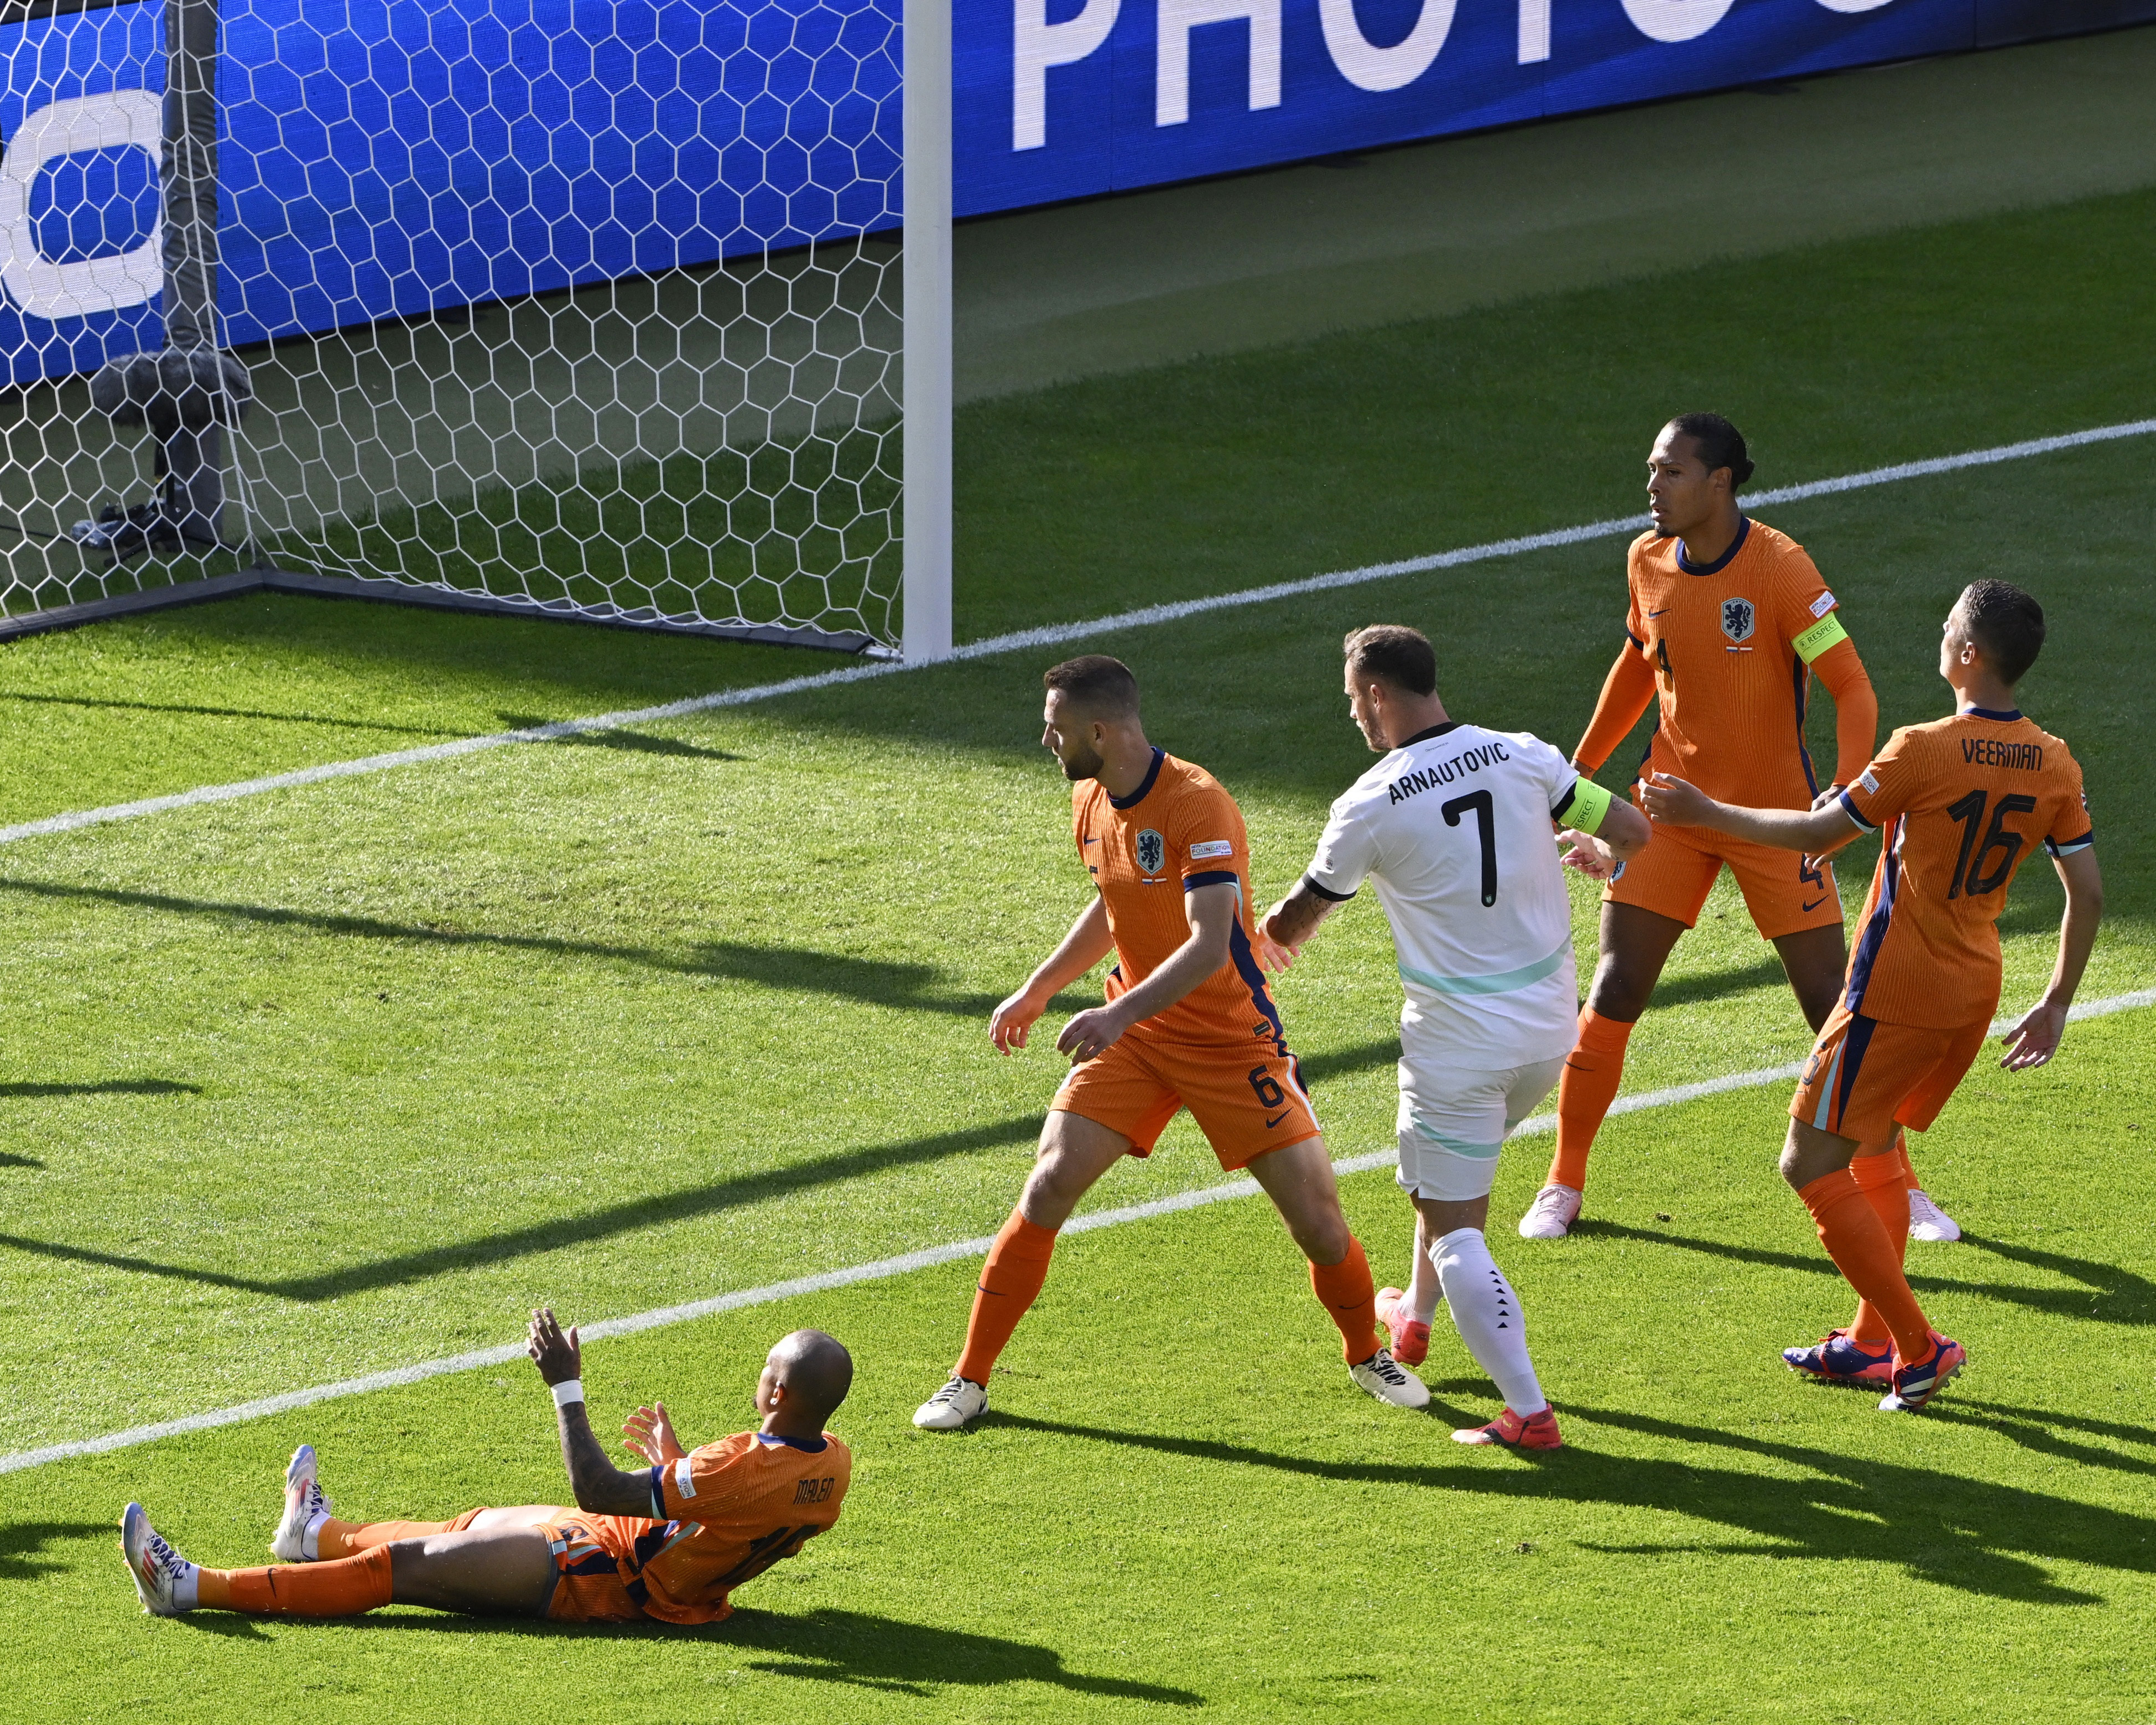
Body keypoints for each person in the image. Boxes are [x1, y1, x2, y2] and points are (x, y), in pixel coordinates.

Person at [912, 654, 1423, 1435]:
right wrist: (1041, 988)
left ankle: (1365, 1353)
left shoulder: (1197, 805)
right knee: (1048, 1185)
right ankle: (969, 1379)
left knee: (1318, 1221)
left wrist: (1111, 1017)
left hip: (1229, 1041)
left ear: (1098, 730)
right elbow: (1113, 901)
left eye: (1055, 730)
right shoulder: (1090, 798)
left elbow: (1211, 944)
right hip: (1140, 1036)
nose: (1045, 741)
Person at [1639, 580, 2099, 1412]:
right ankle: (1866, 1344)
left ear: (1964, 654)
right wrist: (2058, 999)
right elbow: (2088, 891)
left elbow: (1821, 835)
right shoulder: (2055, 759)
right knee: (1875, 1144)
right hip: (1973, 987)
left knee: (1808, 1161)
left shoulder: (1920, 746)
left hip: (1896, 990)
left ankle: (1921, 1350)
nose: (1939, 632)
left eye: (1946, 624)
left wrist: (1704, 810)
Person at [1523, 413, 1960, 1245]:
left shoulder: (1781, 569)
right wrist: (1575, 774)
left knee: (1830, 1006)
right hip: (1669, 814)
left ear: (1719, 481)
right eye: (1651, 469)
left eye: (1670, 472)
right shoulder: (1645, 558)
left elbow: (1854, 689)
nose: (1652, 485)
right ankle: (1563, 1181)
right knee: (1615, 988)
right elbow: (1636, 665)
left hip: (1773, 822)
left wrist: (1840, 806)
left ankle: (1899, 1188)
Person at [1258, 626, 1655, 1449]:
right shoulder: (1521, 755)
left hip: (1458, 1049)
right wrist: (1598, 855)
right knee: (1448, 1178)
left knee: (1453, 1226)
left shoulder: (1369, 801)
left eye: (1351, 699)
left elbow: (1297, 918)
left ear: (1375, 695)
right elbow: (1632, 831)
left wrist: (1266, 934)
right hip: (1548, 1035)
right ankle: (1412, 1320)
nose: (1352, 716)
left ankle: (1529, 1412)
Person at [121, 1312, 852, 1625]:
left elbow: (596, 1488)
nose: (756, 1376)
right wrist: (675, 1466)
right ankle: (313, 1533)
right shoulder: (832, 1467)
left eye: (765, 1370)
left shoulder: (739, 1463)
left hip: (613, 1580)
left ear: (778, 1393)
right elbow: (743, 1509)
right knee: (463, 1527)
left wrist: (565, 1386)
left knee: (407, 1567)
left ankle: (190, 1588)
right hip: (625, 1545)